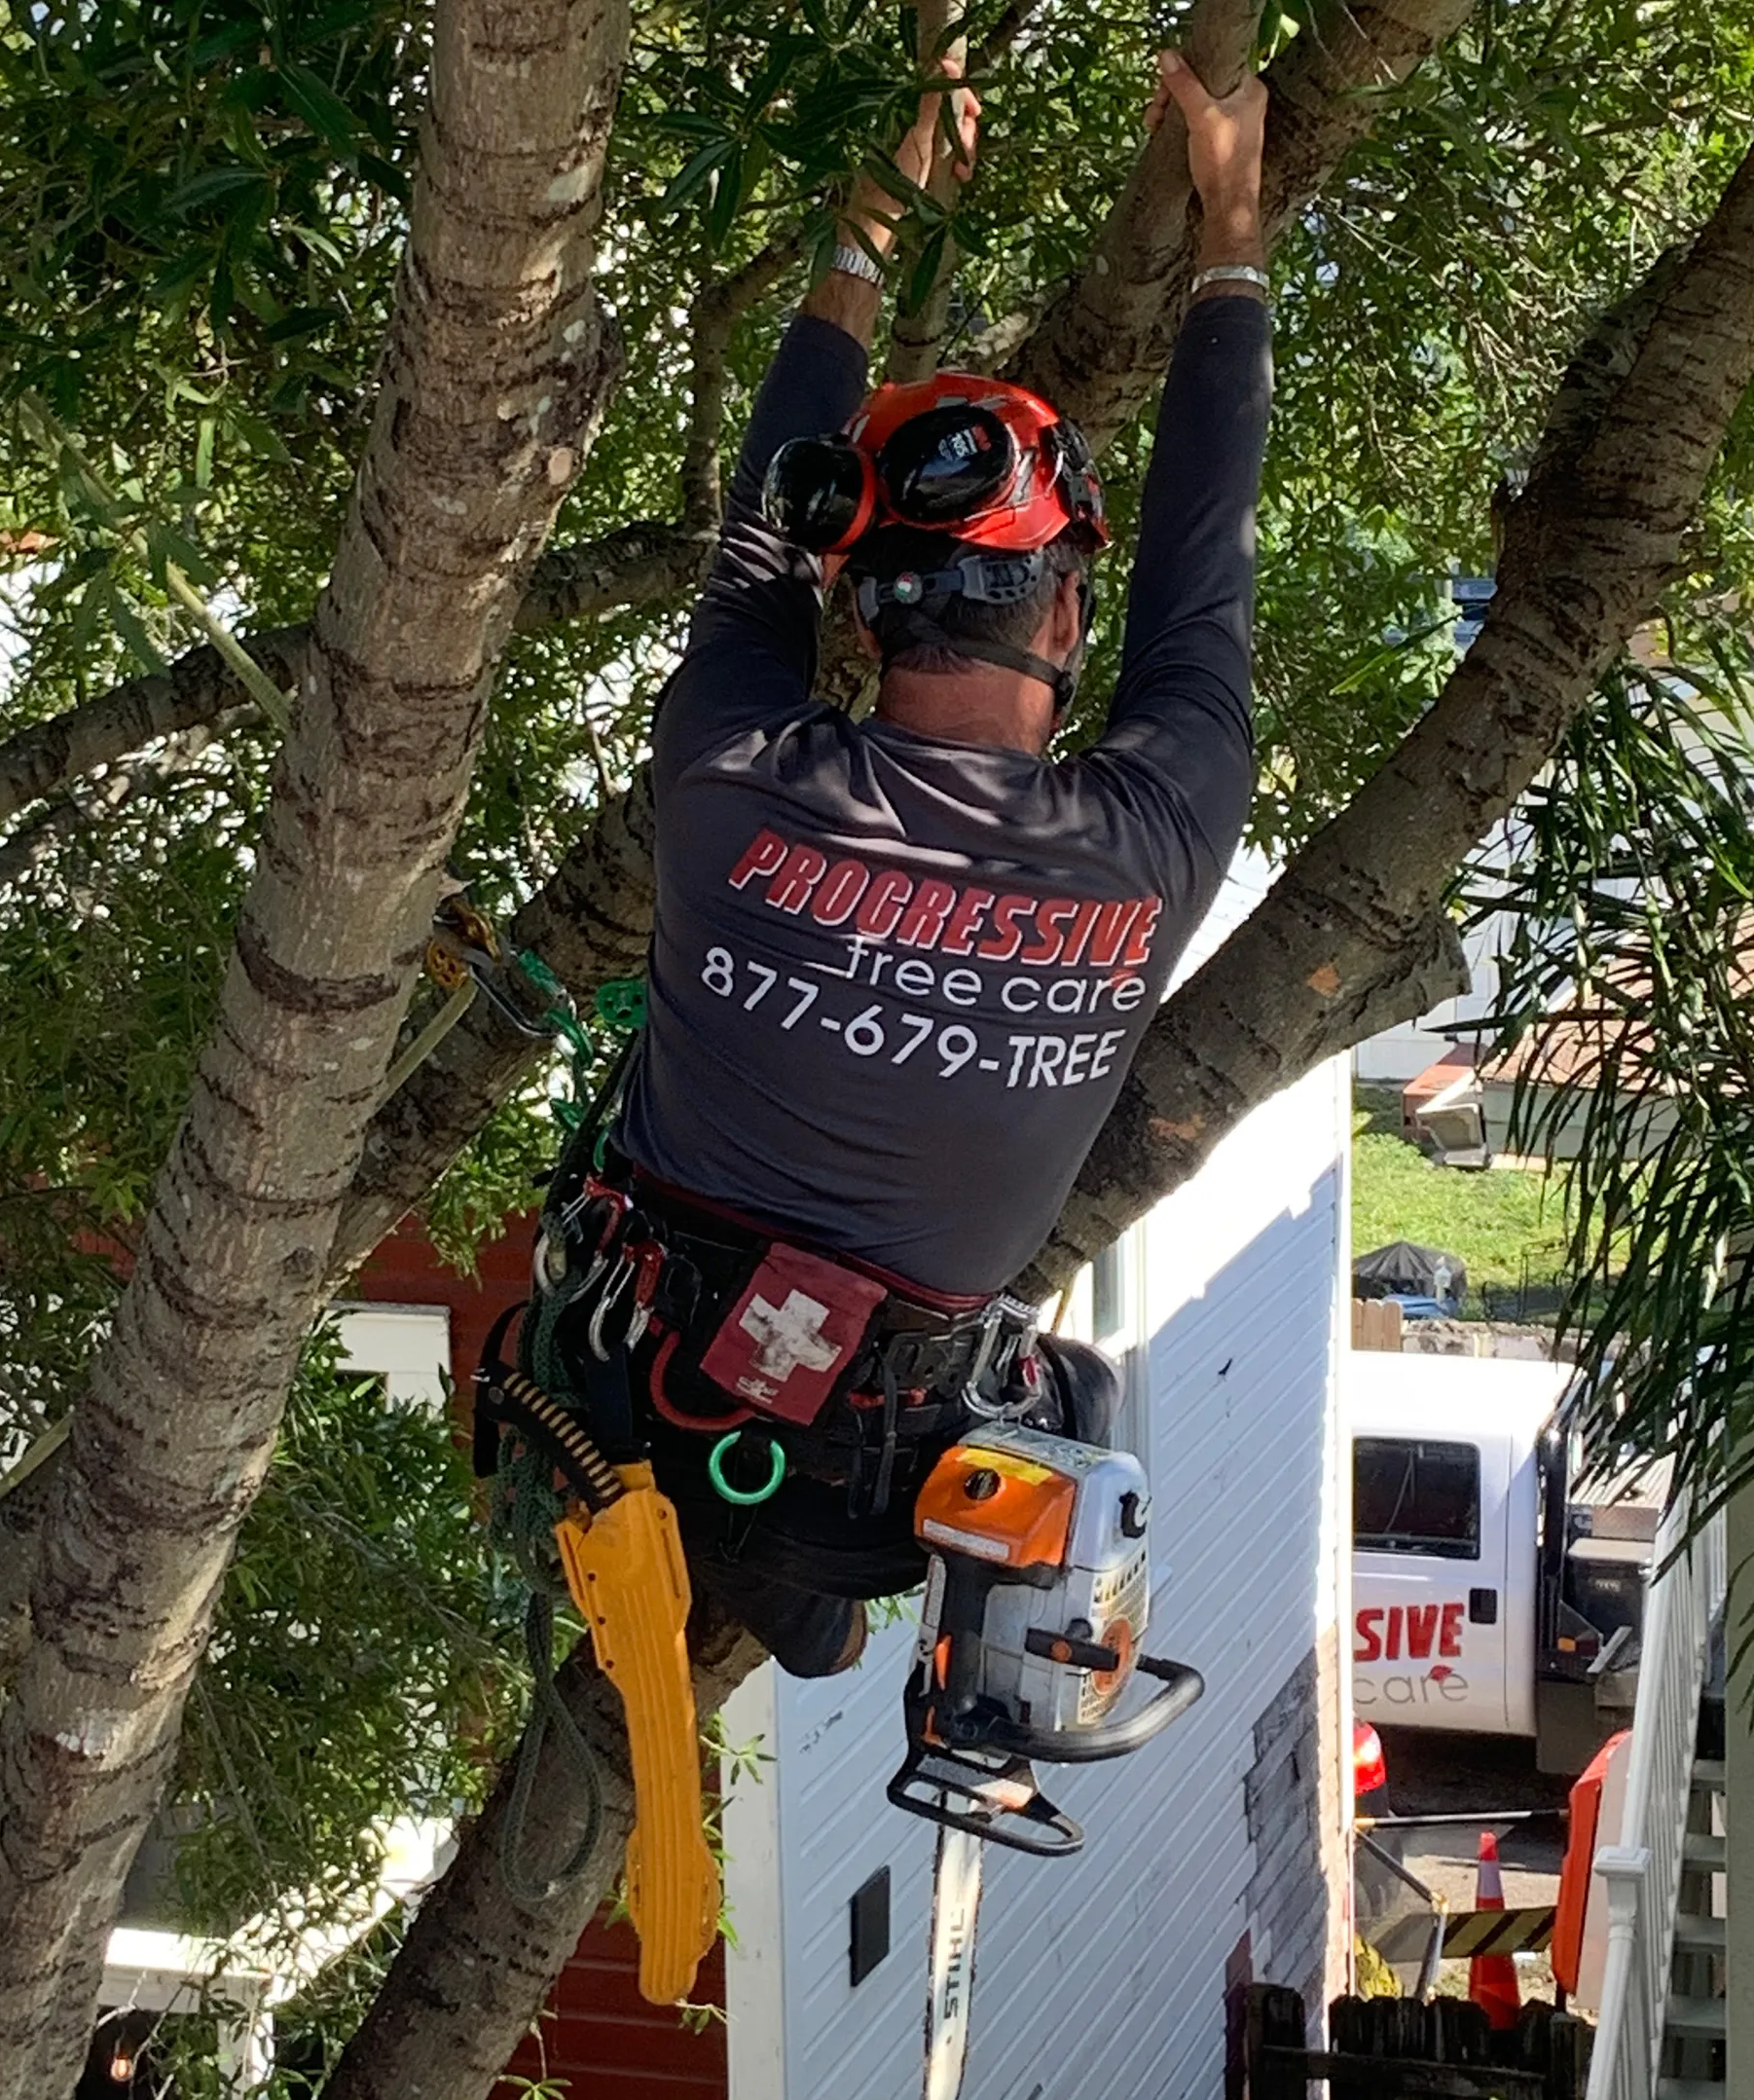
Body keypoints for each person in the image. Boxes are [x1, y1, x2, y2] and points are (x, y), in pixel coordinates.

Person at [525, 51, 1272, 1676]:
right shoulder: (1151, 837)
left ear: (859, 622)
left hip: (632, 1395)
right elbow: (1201, 579)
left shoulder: (738, 775)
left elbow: (759, 526)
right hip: (843, 1485)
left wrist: (871, 220)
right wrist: (1229, 229)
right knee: (849, 1569)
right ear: (1064, 613)